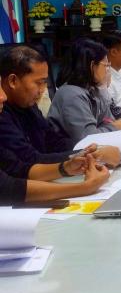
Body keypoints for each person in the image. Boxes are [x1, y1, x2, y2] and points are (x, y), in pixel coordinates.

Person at [0, 45, 121, 166]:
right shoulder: (2, 113)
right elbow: (29, 159)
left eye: (45, 82)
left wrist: (92, 149)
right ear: (13, 81)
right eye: (38, 83)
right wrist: (91, 155)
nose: (43, 90)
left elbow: (53, 141)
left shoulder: (28, 105)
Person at [0, 75, 109, 205]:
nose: (3, 96)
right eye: (39, 82)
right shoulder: (72, 94)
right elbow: (7, 188)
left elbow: (19, 169)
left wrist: (66, 167)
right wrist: (85, 187)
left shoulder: (29, 107)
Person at [48, 38, 121, 145]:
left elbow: (108, 121)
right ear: (92, 66)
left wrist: (104, 89)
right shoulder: (72, 95)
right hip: (70, 153)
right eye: (106, 65)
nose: (108, 70)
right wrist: (114, 127)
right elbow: (87, 138)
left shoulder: (94, 90)